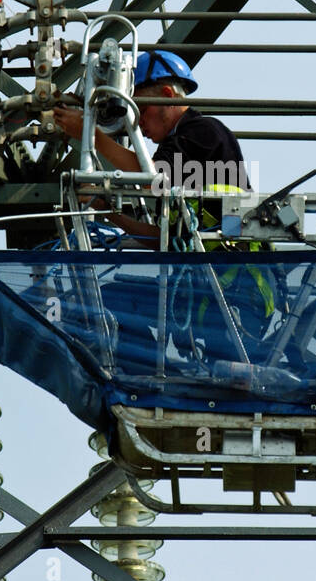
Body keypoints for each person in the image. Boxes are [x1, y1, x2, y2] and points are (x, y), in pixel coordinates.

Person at [52, 50, 277, 375]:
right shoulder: (182, 147)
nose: (138, 126)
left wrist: (94, 137)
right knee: (114, 297)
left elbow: (152, 181)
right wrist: (109, 212)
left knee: (230, 373)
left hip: (233, 290)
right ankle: (148, 374)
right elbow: (165, 238)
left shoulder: (205, 132)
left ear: (168, 96)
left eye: (140, 111)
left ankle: (152, 374)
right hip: (209, 291)